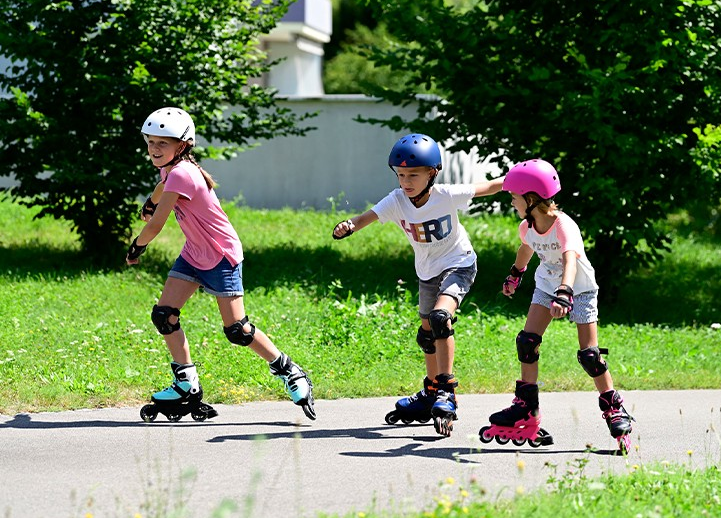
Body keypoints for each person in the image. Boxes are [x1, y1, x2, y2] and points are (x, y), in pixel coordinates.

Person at [126, 107, 315, 422]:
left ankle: (289, 371)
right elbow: (163, 186)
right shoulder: (173, 169)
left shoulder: (183, 173)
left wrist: (137, 246)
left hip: (220, 255)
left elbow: (157, 225)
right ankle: (186, 384)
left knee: (237, 330)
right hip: (195, 252)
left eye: (163, 143)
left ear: (182, 146)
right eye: (151, 142)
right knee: (164, 315)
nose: (155, 149)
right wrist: (151, 199)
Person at [332, 133, 502, 437]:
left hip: (459, 263)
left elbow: (487, 187)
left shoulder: (446, 195)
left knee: (440, 319)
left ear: (432, 173)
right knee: (426, 337)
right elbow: (367, 216)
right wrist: (349, 225)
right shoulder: (397, 200)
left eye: (413, 174)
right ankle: (430, 392)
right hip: (427, 272)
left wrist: (516, 179)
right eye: (401, 174)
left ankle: (446, 390)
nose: (406, 181)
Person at [479, 159, 634, 452]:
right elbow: (526, 248)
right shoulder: (527, 226)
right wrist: (516, 274)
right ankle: (527, 409)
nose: (511, 202)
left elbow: (569, 259)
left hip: (580, 289)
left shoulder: (565, 226)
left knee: (589, 355)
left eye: (514, 197)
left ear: (531, 198)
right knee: (527, 342)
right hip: (546, 287)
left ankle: (614, 407)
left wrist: (565, 292)